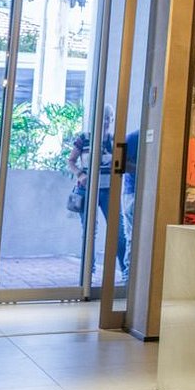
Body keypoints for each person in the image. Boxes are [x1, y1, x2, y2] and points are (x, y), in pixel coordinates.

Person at [67, 112, 126, 280]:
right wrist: (80, 174)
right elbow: (71, 161)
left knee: (118, 230)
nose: (106, 121)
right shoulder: (84, 138)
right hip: (87, 189)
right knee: (89, 230)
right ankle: (88, 272)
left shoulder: (116, 139)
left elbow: (122, 165)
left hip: (109, 190)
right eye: (103, 117)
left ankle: (125, 271)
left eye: (109, 118)